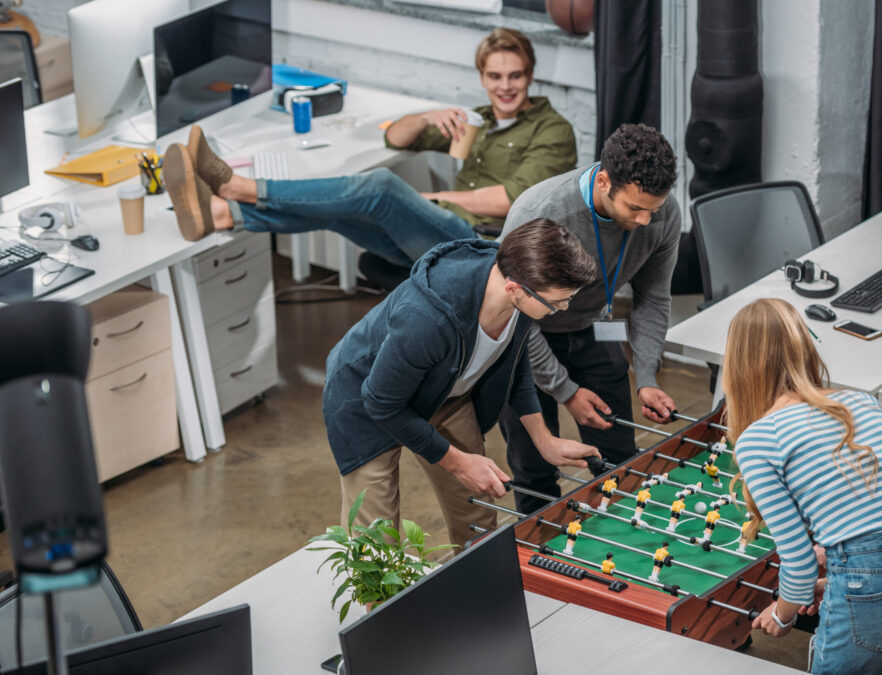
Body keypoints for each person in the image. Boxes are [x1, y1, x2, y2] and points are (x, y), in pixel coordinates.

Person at [160, 27, 576, 276]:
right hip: (438, 239)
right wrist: (429, 116)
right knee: (338, 210)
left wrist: (431, 199)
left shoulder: (553, 131)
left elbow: (511, 200)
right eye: (495, 76)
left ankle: (237, 188)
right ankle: (221, 214)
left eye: (515, 76)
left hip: (483, 248)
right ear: (482, 78)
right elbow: (395, 138)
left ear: (530, 77)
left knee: (378, 186)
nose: (505, 86)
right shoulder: (478, 119)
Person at [322, 219, 600, 549]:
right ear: (514, 289)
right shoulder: (426, 318)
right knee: (377, 545)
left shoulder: (523, 280)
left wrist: (544, 440)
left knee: (478, 517)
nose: (563, 308)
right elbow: (382, 402)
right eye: (558, 302)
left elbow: (514, 362)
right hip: (366, 401)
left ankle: (476, 594)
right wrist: (457, 462)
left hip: (445, 392)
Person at [725, 298, 882, 674]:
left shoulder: (757, 441)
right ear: (804, 346)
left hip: (867, 584)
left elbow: (801, 567)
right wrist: (840, 567)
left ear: (738, 367)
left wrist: (783, 614)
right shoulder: (861, 401)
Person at [498, 123, 681, 515]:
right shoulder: (540, 213)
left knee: (620, 462)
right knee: (535, 470)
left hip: (593, 328)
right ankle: (544, 566)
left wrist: (647, 377)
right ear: (603, 182)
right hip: (524, 337)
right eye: (635, 208)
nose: (647, 220)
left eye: (655, 208)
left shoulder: (661, 214)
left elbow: (653, 296)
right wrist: (565, 390)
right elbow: (514, 315)